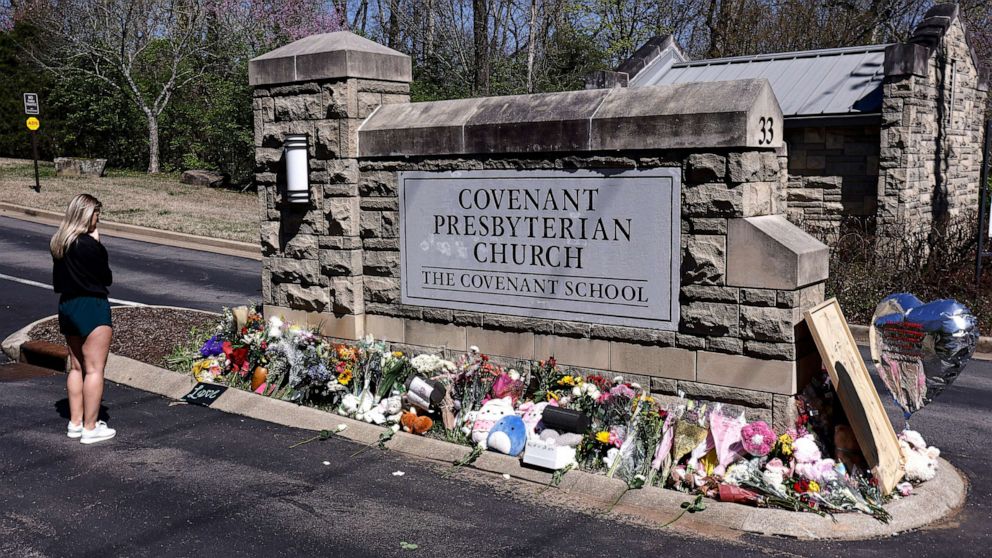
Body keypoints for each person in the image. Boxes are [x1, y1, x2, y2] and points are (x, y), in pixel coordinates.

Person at [50, 194, 116, 444]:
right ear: (89, 215)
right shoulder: (88, 245)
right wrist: (98, 243)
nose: (98, 221)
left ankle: (75, 422)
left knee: (76, 366)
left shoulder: (59, 242)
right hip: (91, 304)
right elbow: (106, 278)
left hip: (67, 305)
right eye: (97, 216)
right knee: (95, 369)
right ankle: (91, 427)